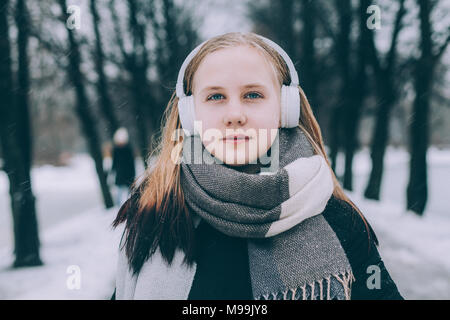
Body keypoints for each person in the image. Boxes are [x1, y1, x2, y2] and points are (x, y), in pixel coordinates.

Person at [111, 32, 403, 300]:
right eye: (215, 96)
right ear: (190, 114)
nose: (234, 114)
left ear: (284, 109)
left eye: (253, 95)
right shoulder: (154, 211)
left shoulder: (336, 217)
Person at [111, 127, 136, 206]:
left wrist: (133, 175)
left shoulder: (128, 150)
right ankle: (118, 209)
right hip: (120, 176)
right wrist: (112, 172)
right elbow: (114, 163)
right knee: (119, 194)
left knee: (130, 195)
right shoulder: (116, 150)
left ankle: (131, 207)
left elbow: (132, 164)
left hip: (128, 175)